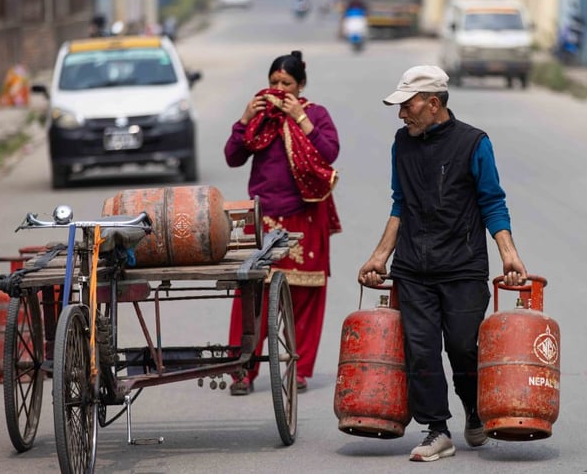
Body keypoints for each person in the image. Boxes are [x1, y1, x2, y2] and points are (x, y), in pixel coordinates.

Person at [357, 65, 528, 462]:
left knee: (463, 346)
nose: (402, 115)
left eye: (408, 105)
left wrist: (508, 253)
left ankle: (474, 407)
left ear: (433, 104)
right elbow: (400, 201)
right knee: (421, 350)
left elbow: (492, 201)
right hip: (413, 265)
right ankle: (436, 429)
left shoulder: (474, 143)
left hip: (463, 265)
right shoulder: (402, 144)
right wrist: (381, 255)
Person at [225, 50, 341, 395]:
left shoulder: (316, 114)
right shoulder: (261, 119)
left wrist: (301, 119)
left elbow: (329, 153)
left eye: (285, 83)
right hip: (264, 217)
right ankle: (242, 370)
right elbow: (233, 157)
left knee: (305, 295)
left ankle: (299, 368)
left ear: (300, 85)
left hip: (305, 216)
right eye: (273, 82)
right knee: (251, 294)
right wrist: (245, 118)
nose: (278, 88)